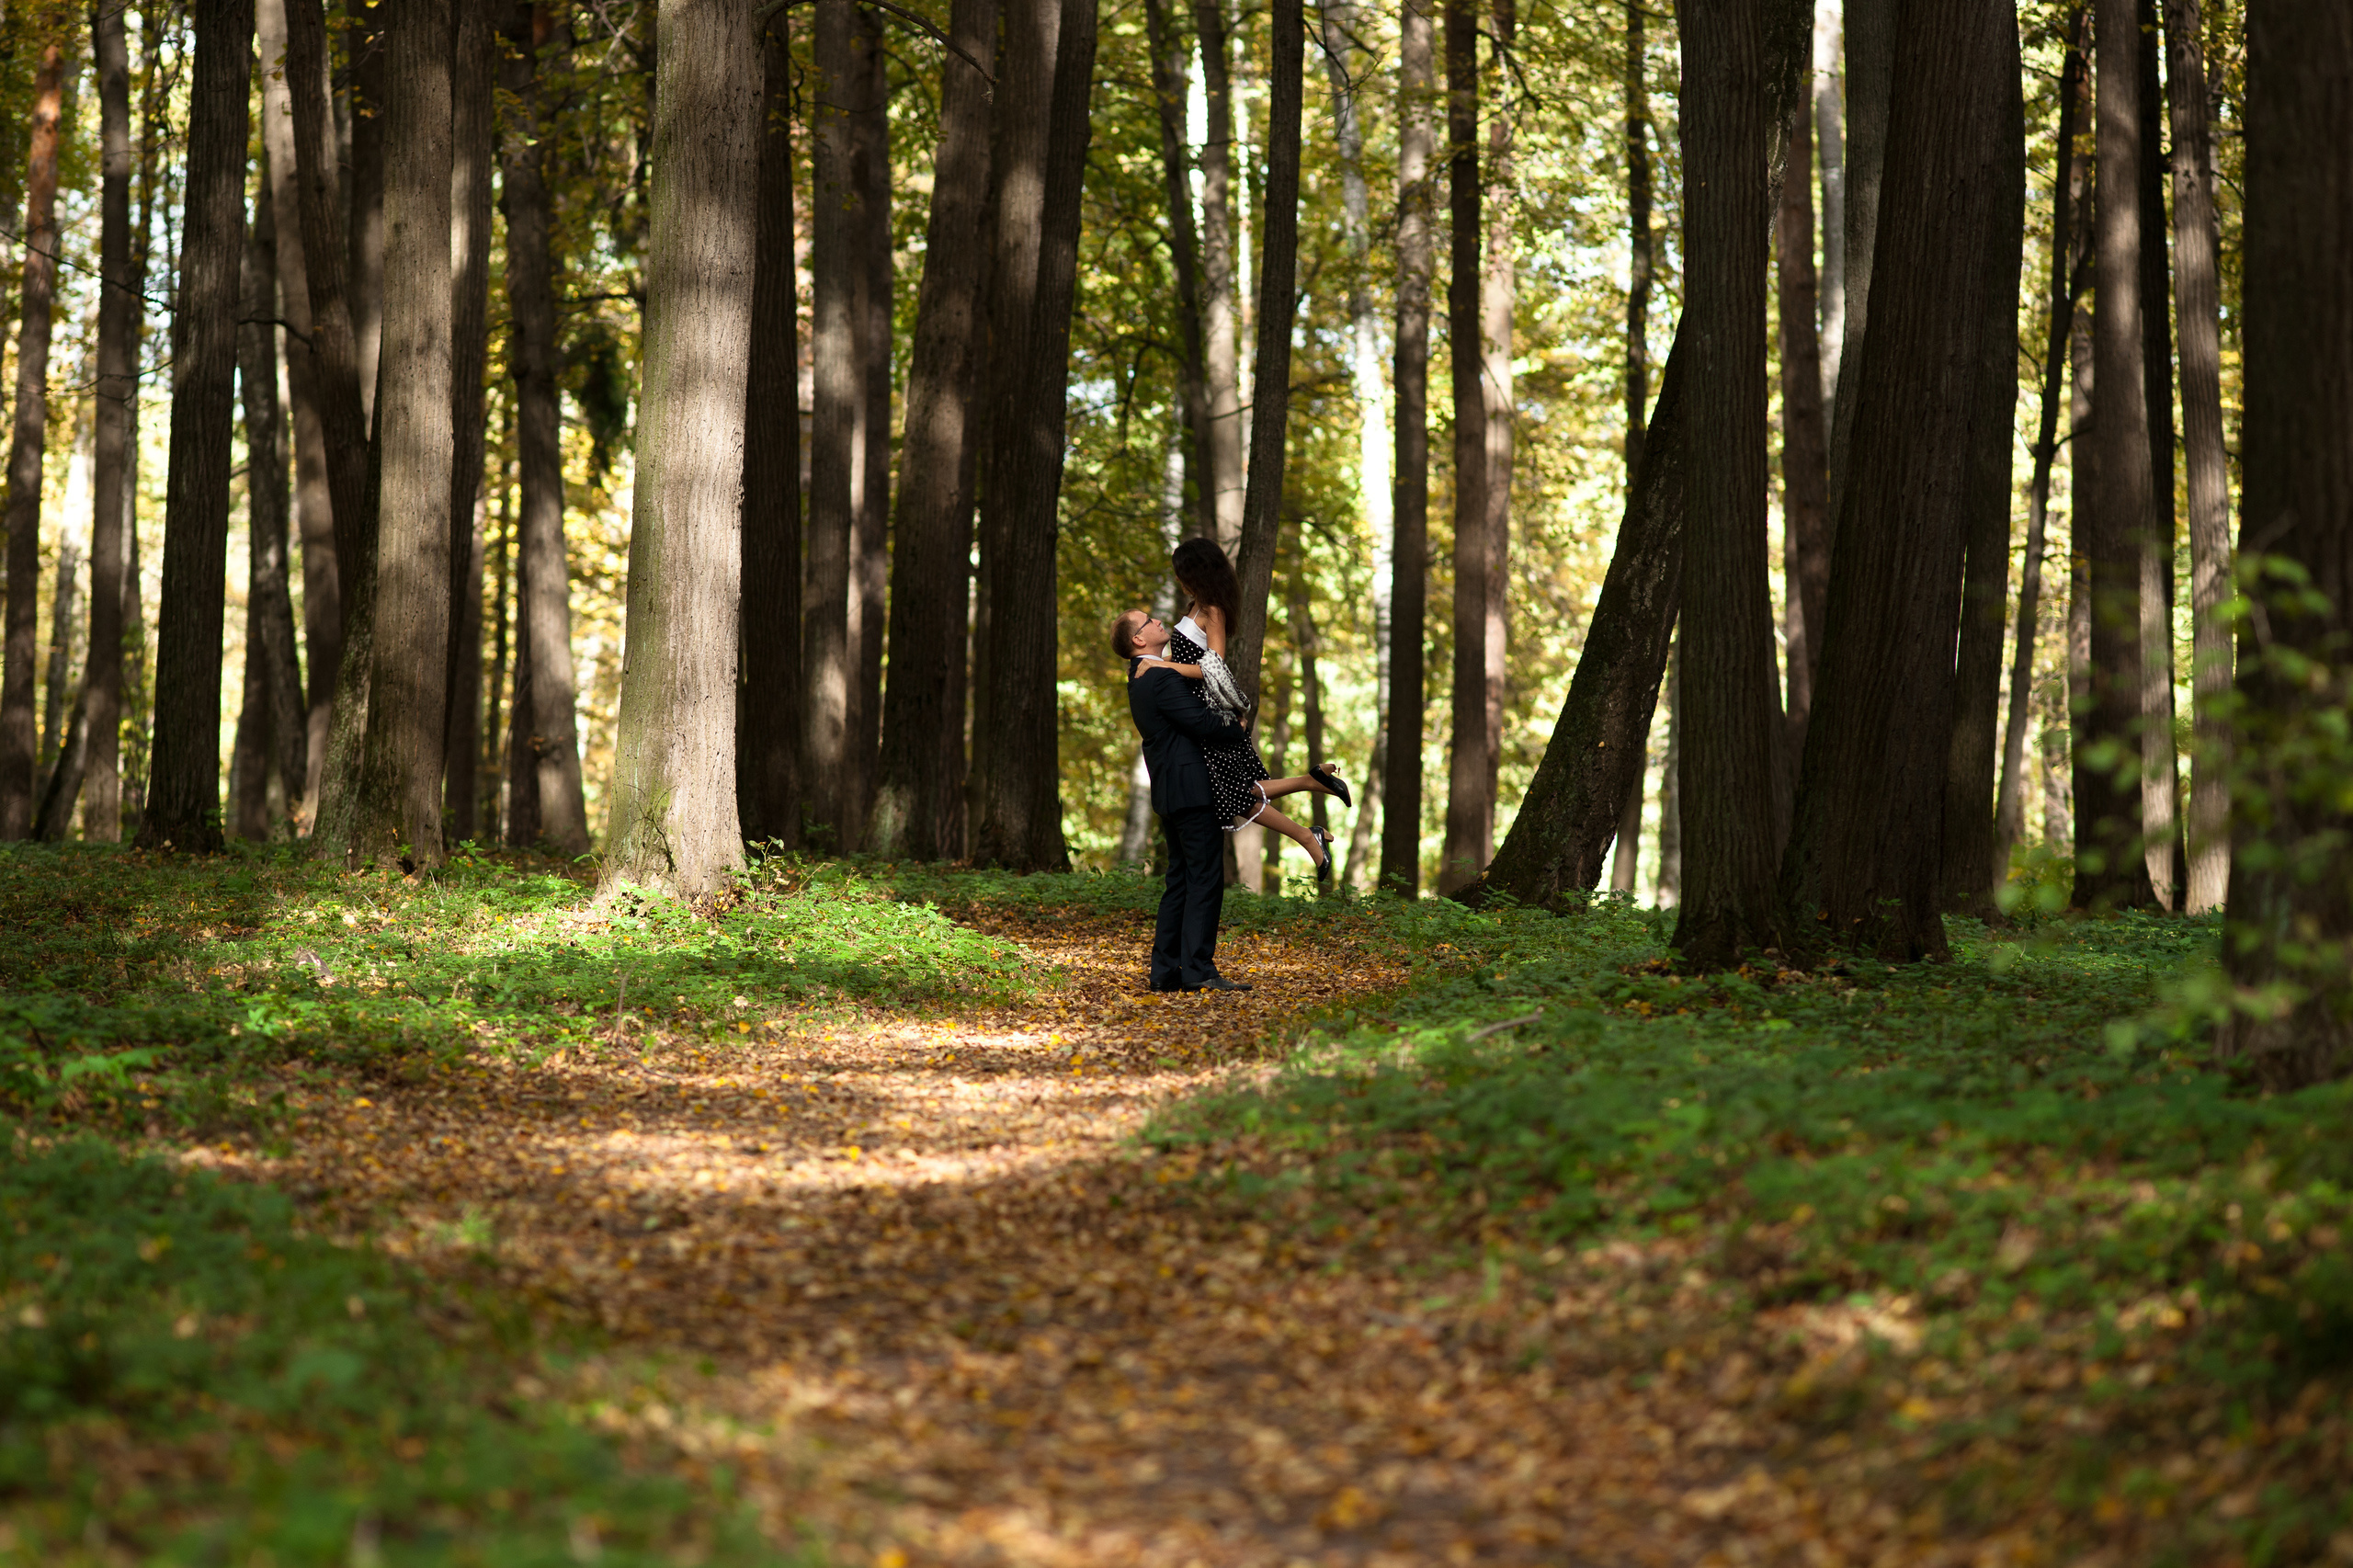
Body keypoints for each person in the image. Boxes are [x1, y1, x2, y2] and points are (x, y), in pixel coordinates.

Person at [1118, 610, 1255, 992]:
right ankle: (1198, 970)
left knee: (1179, 880)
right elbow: (1200, 721)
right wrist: (1237, 725)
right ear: (1139, 641)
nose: (1159, 622)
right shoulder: (1159, 676)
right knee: (1204, 879)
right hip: (1192, 789)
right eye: (1149, 622)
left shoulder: (1141, 676)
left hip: (1170, 790)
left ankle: (1165, 973)